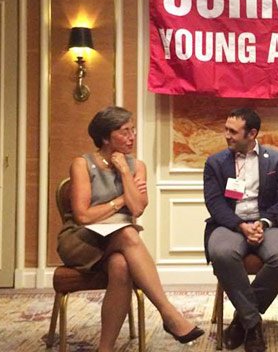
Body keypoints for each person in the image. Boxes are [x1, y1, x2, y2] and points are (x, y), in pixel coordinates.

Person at [57, 106, 203, 352]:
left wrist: (124, 171)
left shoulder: (137, 166)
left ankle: (105, 348)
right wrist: (120, 200)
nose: (132, 137)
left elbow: (136, 210)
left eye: (132, 130)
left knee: (121, 265)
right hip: (81, 240)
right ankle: (168, 313)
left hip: (116, 243)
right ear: (105, 137)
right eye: (124, 132)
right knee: (128, 233)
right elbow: (83, 216)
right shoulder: (82, 164)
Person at [203, 108, 278, 352]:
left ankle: (240, 320)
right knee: (222, 253)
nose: (227, 135)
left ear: (252, 133)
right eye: (226, 129)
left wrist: (263, 223)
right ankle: (253, 324)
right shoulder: (215, 162)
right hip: (229, 225)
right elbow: (214, 203)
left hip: (267, 224)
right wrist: (240, 226)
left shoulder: (276, 160)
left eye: (233, 131)